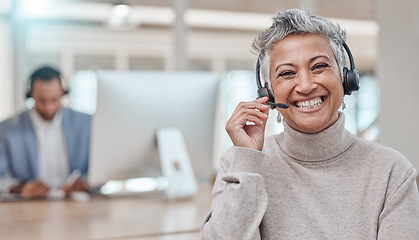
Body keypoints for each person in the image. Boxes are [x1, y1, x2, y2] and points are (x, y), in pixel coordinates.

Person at [199, 9, 419, 239]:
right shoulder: (241, 164)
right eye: (287, 73)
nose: (305, 85)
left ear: (345, 79)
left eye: (318, 67)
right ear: (269, 93)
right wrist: (246, 161)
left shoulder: (392, 171)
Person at [0, 66, 91, 198]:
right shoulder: (7, 129)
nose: (49, 107)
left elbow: (99, 171)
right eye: (42, 100)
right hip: (30, 207)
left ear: (63, 94)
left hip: (75, 203)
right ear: (30, 96)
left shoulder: (86, 123)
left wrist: (85, 182)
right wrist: (20, 188)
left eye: (54, 99)